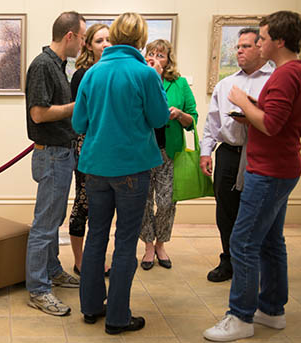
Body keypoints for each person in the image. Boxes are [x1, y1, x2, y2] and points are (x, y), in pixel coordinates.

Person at [203, 11, 301, 342]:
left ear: (279, 41)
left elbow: (270, 124)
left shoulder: (283, 75)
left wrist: (241, 102)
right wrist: (252, 104)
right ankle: (272, 310)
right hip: (280, 168)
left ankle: (241, 317)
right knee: (270, 241)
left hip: (268, 171)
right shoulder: (296, 71)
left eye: (262, 38)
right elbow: (275, 118)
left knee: (244, 242)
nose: (257, 44)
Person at [73, 12, 169, 334]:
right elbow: (159, 119)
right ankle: (117, 317)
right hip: (131, 168)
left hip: (95, 168)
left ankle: (90, 307)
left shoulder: (92, 73)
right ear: (141, 39)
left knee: (97, 234)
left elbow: (78, 124)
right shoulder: (145, 74)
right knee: (125, 241)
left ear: (113, 36)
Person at [24, 11, 86, 317]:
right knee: (44, 225)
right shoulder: (43, 65)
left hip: (61, 153)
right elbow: (38, 114)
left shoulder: (59, 66)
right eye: (83, 37)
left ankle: (53, 269)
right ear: (70, 36)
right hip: (51, 155)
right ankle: (38, 289)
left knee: (53, 219)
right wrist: (77, 107)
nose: (84, 43)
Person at [199, 28, 273, 283]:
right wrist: (206, 152)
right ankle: (228, 260)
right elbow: (212, 122)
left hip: (259, 154)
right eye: (238, 46)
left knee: (256, 213)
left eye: (246, 46)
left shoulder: (273, 81)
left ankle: (253, 263)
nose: (239, 50)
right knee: (226, 211)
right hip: (229, 154)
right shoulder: (226, 83)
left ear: (261, 48)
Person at [139, 39, 198, 271]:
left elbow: (192, 119)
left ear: (169, 60)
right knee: (143, 202)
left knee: (166, 202)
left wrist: (180, 114)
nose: (155, 58)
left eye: (161, 55)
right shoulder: (140, 81)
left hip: (169, 152)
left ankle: (162, 244)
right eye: (151, 54)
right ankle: (148, 247)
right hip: (143, 152)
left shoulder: (180, 84)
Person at [68, 23, 111, 277]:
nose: (105, 44)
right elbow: (79, 116)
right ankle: (80, 260)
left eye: (108, 40)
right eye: (99, 40)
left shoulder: (113, 71)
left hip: (109, 150)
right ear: (88, 45)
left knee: (102, 207)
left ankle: (94, 258)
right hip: (87, 147)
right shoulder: (82, 74)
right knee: (83, 203)